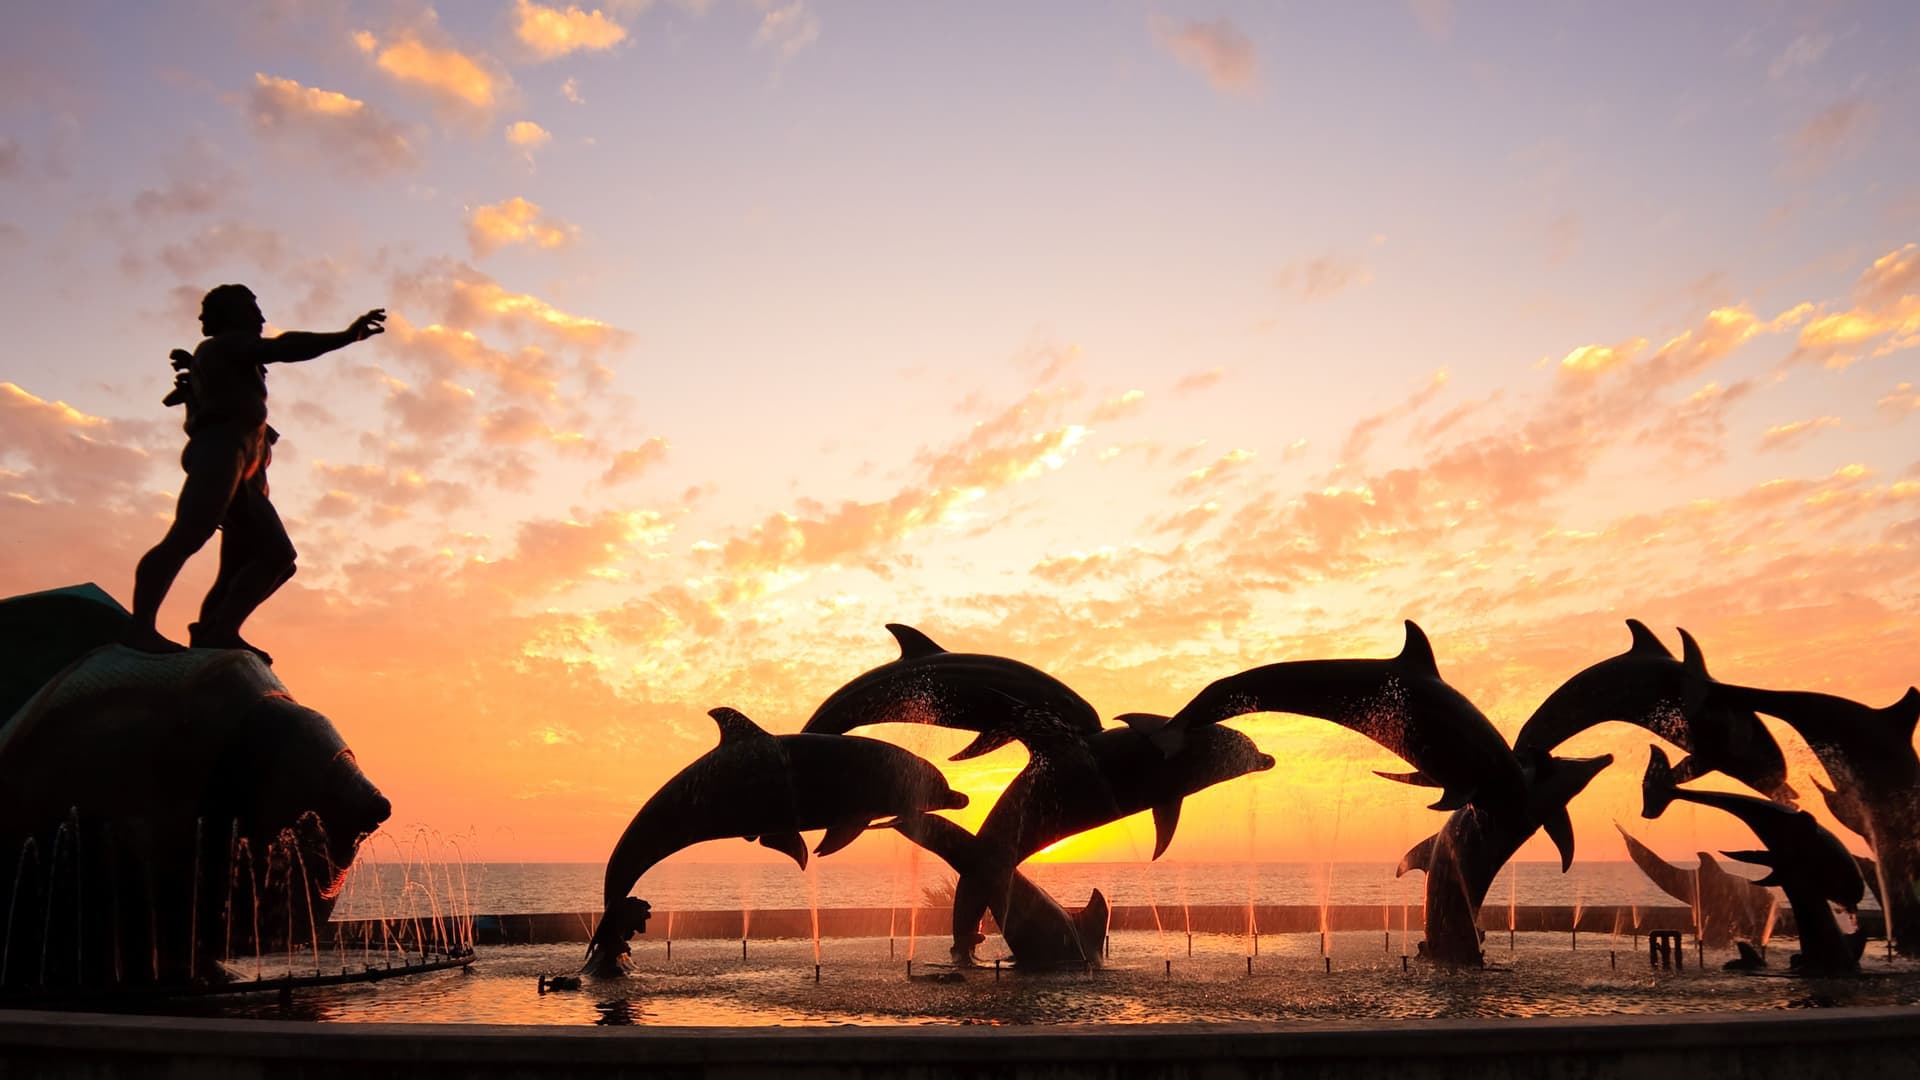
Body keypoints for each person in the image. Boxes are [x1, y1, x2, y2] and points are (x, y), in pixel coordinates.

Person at [126, 284, 385, 662]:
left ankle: (219, 630)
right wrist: (348, 336)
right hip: (221, 452)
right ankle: (139, 628)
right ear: (231, 316)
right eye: (252, 309)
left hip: (247, 466)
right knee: (188, 535)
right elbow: (284, 346)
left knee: (276, 555)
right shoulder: (220, 347)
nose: (261, 318)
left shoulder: (233, 363)